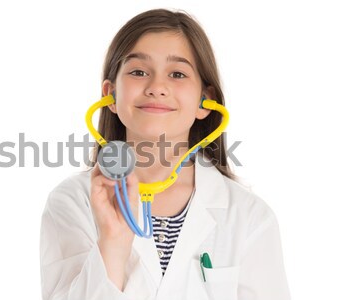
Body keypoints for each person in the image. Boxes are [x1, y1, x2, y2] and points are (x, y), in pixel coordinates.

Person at [40, 8, 291, 300]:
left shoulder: (249, 216)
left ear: (204, 102)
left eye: (177, 74)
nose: (157, 87)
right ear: (110, 95)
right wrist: (113, 242)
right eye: (138, 72)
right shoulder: (72, 202)